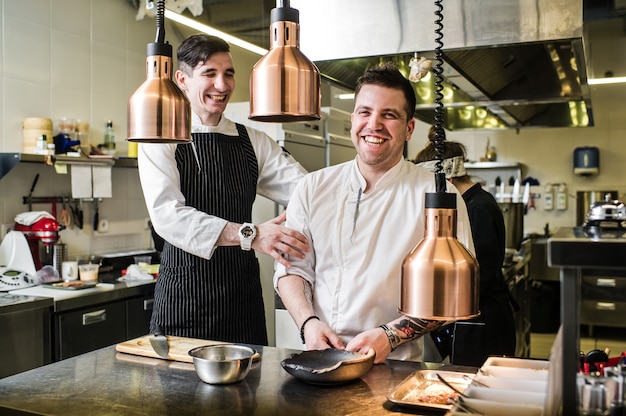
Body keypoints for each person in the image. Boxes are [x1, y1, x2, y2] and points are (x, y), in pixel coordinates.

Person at [273, 63, 475, 364]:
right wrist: (308, 323)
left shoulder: (439, 197)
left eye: (389, 115)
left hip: (397, 364)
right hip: (320, 356)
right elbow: (293, 271)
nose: (374, 124)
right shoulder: (313, 187)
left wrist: (390, 335)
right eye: (365, 112)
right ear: (353, 118)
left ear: (409, 129)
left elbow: (452, 295)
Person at [138, 34, 310, 346]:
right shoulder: (159, 136)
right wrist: (252, 234)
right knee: (179, 395)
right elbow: (168, 217)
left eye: (228, 74)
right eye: (209, 74)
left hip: (242, 301)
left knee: (249, 392)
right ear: (182, 79)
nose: (222, 85)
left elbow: (306, 191)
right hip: (184, 301)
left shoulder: (254, 142)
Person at [413, 128, 516, 366]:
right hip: (477, 320)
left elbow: (481, 275)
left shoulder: (476, 208)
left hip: (482, 324)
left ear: (446, 180)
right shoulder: (473, 202)